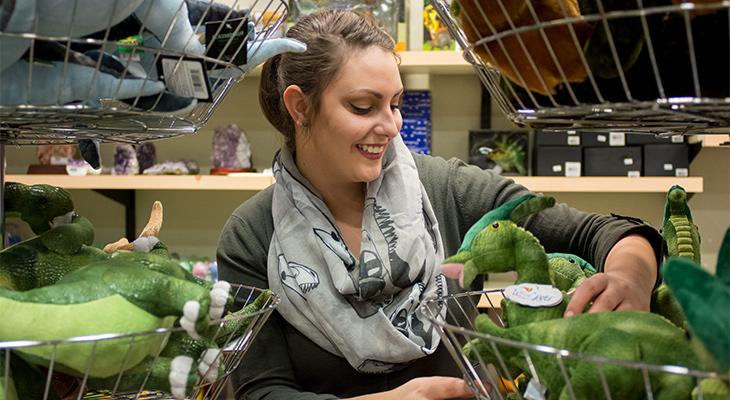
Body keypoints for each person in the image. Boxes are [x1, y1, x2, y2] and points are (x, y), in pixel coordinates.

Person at [217, 10, 663, 400]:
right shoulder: (253, 234)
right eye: (363, 106)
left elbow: (602, 233)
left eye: (395, 104)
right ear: (300, 106)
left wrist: (631, 275)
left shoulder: (444, 189)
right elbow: (260, 390)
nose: (390, 126)